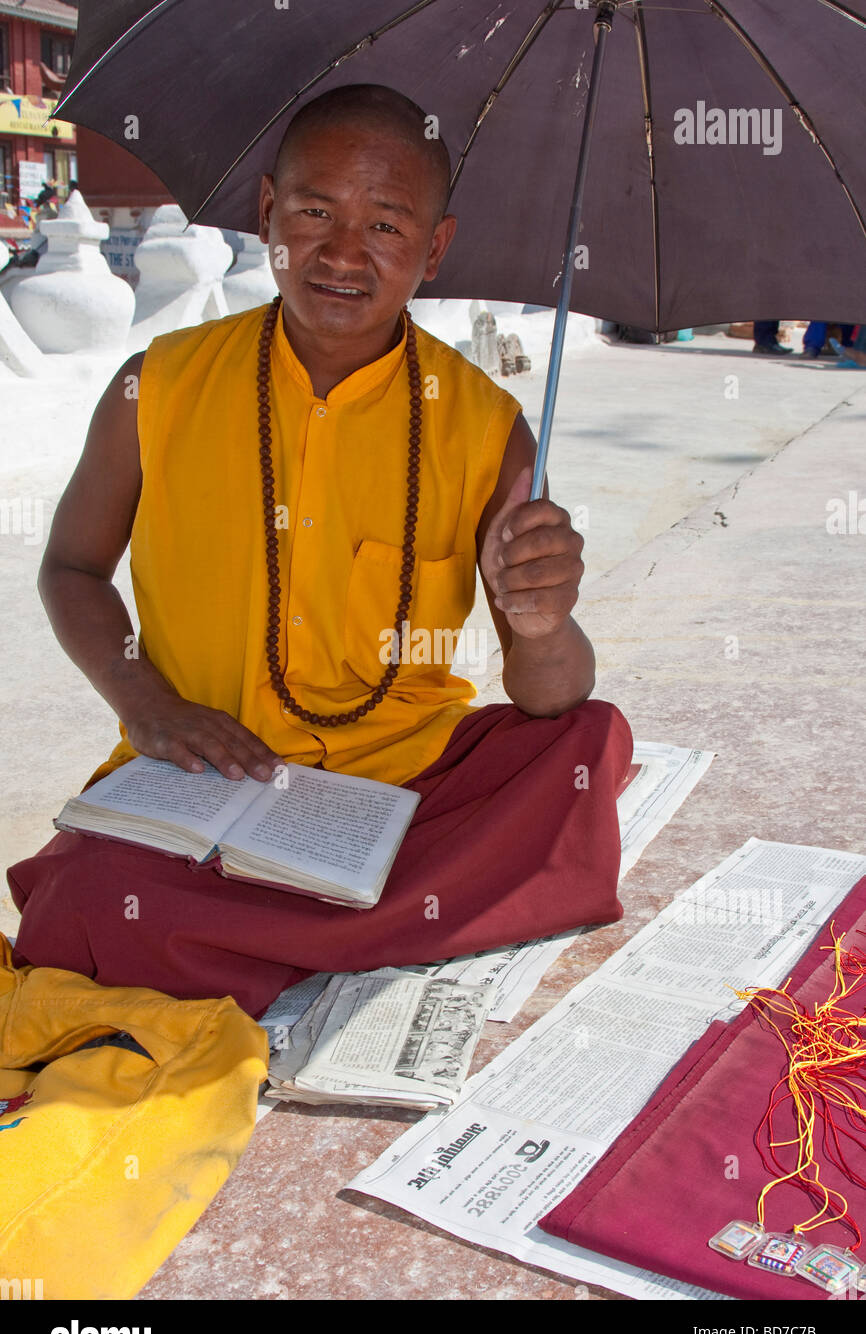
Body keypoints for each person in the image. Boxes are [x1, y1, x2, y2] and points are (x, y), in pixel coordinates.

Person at [7, 84, 633, 1020]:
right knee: (89, 897)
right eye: (313, 212)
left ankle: (269, 938)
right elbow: (71, 568)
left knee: (586, 746)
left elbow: (549, 693)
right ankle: (357, 934)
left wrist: (545, 621)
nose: (343, 253)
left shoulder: (485, 426)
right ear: (268, 213)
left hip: (402, 780)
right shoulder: (160, 385)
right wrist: (148, 705)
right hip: (208, 774)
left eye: (387, 224)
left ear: (435, 247)